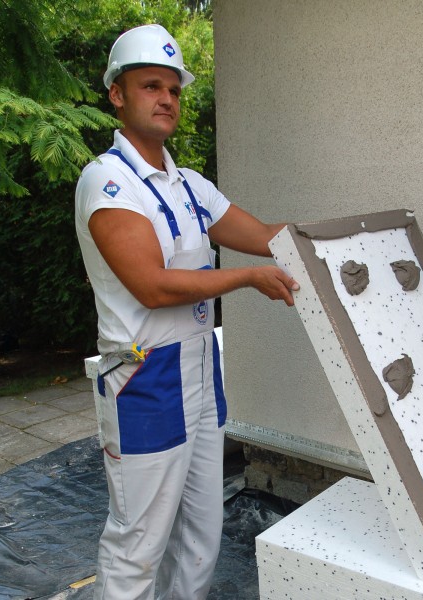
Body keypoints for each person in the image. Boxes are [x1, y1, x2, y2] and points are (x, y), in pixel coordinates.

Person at [75, 23, 299, 600]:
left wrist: (343, 239)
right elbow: (152, 286)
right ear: (117, 94)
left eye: (173, 89)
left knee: (202, 533)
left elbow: (268, 236)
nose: (167, 99)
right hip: (146, 379)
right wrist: (246, 278)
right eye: (151, 86)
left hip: (200, 368)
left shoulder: (190, 185)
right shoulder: (108, 182)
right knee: (139, 542)